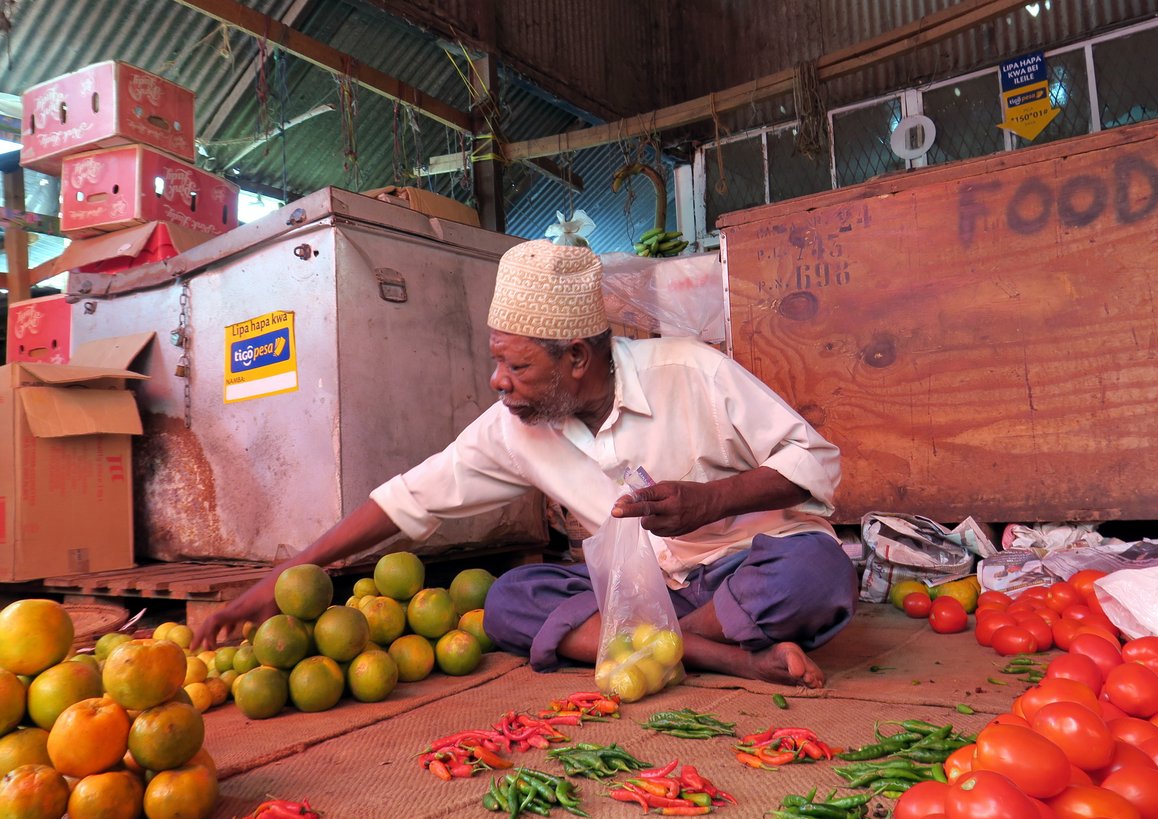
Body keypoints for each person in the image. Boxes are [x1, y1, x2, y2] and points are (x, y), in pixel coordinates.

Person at [194, 240, 855, 687]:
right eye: (496, 360)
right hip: (647, 593)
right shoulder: (514, 429)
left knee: (817, 572)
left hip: (746, 564)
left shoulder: (690, 370)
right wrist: (274, 581)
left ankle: (653, 644)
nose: (497, 381)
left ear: (576, 357)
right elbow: (406, 501)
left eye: (517, 364)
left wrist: (712, 501)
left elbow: (814, 460)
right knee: (509, 598)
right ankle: (722, 655)